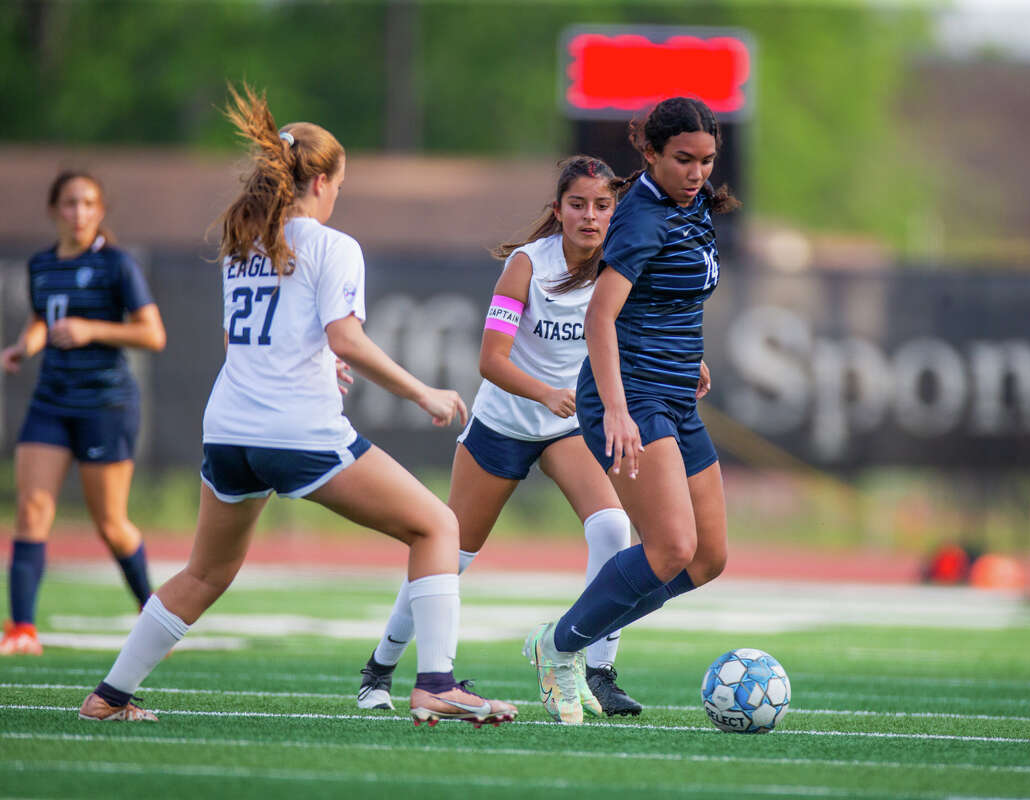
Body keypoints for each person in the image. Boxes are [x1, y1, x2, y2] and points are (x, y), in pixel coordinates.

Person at [77, 85, 516, 727]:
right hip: (296, 432)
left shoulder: (243, 240)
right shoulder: (332, 244)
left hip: (228, 431)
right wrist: (421, 390)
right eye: (339, 183)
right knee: (437, 527)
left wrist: (318, 357)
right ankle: (437, 685)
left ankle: (107, 697)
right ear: (321, 181)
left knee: (205, 572)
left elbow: (248, 339)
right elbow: (347, 338)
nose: (339, 195)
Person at [358, 156, 642, 718]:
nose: (590, 216)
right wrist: (543, 393)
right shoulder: (525, 266)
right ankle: (380, 666)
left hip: (566, 426)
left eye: (602, 206)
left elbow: (636, 335)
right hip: (505, 424)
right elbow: (491, 360)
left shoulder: (621, 264)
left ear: (615, 210)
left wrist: (692, 363)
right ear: (557, 210)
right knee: (450, 554)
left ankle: (598, 668)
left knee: (614, 527)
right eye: (578, 204)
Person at [523, 97, 736, 724]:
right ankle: (561, 646)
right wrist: (615, 411)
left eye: (706, 160)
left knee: (708, 558)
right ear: (649, 153)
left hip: (672, 393)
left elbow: (670, 294)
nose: (697, 172)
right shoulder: (642, 216)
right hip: (631, 397)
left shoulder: (691, 203)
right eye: (683, 160)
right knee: (669, 547)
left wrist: (688, 354)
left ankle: (570, 636)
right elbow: (600, 316)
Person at [1, 171, 166, 656]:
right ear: (55, 210)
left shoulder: (117, 265)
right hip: (51, 401)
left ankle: (152, 615)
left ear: (101, 211)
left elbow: (153, 334)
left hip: (105, 405)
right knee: (31, 510)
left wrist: (92, 330)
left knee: (111, 524)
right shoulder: (41, 265)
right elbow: (41, 320)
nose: (80, 213)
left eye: (89, 204)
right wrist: (22, 347)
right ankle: (23, 630)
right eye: (71, 204)